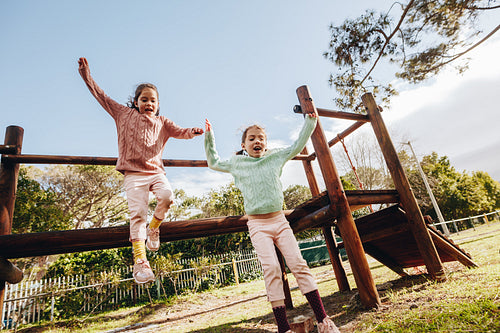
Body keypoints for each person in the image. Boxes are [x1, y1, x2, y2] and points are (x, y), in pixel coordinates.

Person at [204, 112, 340, 333]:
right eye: (252, 138)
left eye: (261, 138)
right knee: (272, 269)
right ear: (244, 144)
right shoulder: (238, 163)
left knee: (298, 264)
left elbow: (297, 146)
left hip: (279, 221)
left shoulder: (275, 156)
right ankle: (283, 328)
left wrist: (310, 122)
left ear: (266, 144)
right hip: (257, 225)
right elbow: (214, 162)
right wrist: (209, 137)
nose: (257, 141)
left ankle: (324, 320)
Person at [77, 57, 203, 284]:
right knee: (137, 214)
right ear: (135, 102)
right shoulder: (123, 114)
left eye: (153, 100)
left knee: (167, 197)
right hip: (133, 175)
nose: (149, 103)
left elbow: (180, 131)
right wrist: (86, 75)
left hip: (156, 172)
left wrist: (192, 131)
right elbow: (101, 97)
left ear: (158, 104)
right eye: (144, 99)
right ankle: (140, 262)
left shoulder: (162, 122)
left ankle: (154, 229)